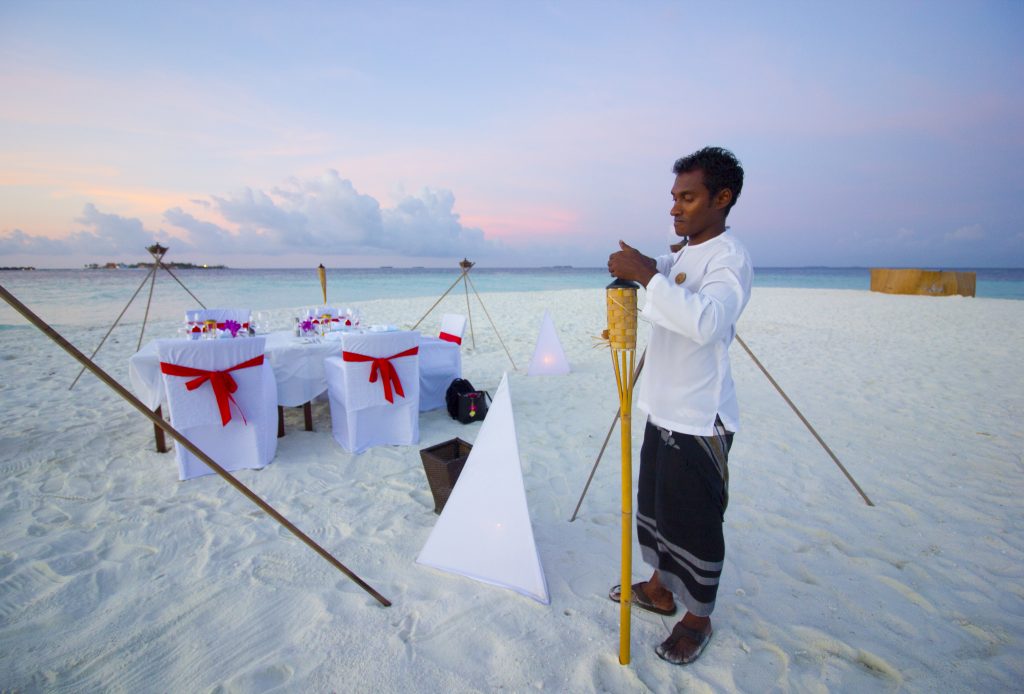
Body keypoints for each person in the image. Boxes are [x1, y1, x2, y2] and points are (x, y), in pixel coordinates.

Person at [606, 146, 752, 665]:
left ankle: (698, 617)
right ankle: (662, 589)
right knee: (659, 508)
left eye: (688, 198)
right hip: (664, 406)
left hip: (699, 416)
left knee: (694, 520)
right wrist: (644, 265)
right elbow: (665, 272)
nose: (675, 209)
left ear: (722, 198)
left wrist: (646, 275)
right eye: (673, 198)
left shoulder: (729, 257)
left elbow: (709, 321)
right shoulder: (688, 252)